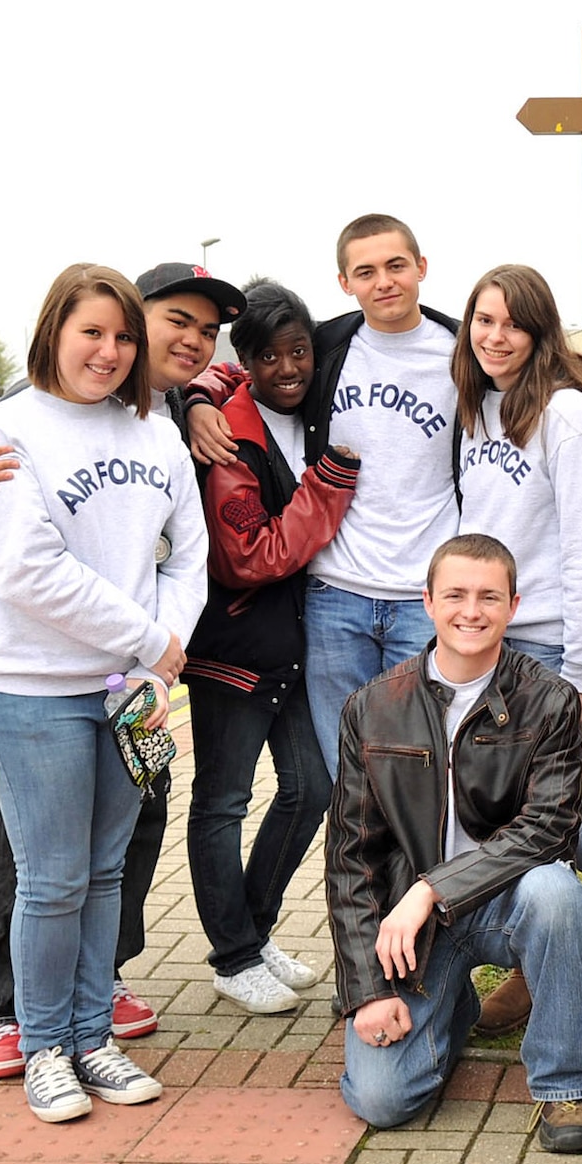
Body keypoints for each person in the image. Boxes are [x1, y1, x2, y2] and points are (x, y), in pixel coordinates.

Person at [0, 261, 243, 1072]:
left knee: (108, 872)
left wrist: (157, 664)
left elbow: (187, 554)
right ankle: (39, 1042)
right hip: (33, 691)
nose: (109, 351)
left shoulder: (159, 429)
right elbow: (28, 570)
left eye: (123, 336)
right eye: (91, 332)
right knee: (51, 878)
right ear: (52, 332)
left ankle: (92, 1037)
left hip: (130, 693)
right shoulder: (5, 431)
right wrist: (149, 639)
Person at [324, 535, 582, 1150]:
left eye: (488, 597)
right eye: (455, 595)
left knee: (558, 892)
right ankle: (449, 1010)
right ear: (427, 601)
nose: (470, 611)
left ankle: (566, 1087)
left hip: (507, 902)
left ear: (513, 605)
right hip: (414, 931)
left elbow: (549, 828)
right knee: (383, 1100)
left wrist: (432, 888)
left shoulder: (548, 700)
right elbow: (350, 858)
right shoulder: (371, 708)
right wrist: (365, 993)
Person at [186, 214, 460, 781]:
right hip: (335, 600)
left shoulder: (463, 352)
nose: (383, 281)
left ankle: (425, 876)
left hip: (422, 599)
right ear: (345, 282)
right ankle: (359, 876)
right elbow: (248, 367)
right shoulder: (329, 344)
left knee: (423, 777)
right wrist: (196, 397)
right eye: (366, 271)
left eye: (395, 266)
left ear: (421, 268)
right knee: (347, 782)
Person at [444, 264, 582, 1036]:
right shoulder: (482, 410)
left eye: (511, 324)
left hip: (548, 635)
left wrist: (581, 669)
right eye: (482, 321)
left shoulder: (568, 417)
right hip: (487, 634)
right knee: (502, 802)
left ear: (539, 331)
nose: (494, 337)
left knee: (534, 807)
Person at [183, 279, 360, 1014]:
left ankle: (248, 936)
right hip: (234, 646)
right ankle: (233, 954)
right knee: (222, 800)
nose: (288, 368)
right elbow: (246, 557)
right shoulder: (228, 431)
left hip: (291, 643)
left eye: (298, 351)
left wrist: (200, 385)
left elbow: (218, 368)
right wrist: (331, 485)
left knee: (311, 788)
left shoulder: (312, 406)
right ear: (246, 361)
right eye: (268, 356)